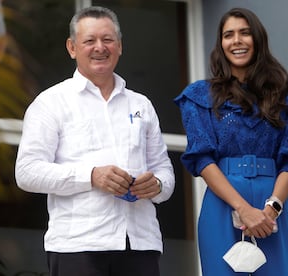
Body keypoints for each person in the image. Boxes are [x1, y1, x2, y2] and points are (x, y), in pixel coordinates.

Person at [15, 6, 175, 276]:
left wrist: (157, 185)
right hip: (77, 245)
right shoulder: (51, 102)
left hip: (140, 244)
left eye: (108, 39)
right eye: (89, 41)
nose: (100, 47)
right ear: (72, 47)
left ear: (120, 46)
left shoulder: (141, 104)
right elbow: (27, 172)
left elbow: (164, 171)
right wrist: (91, 176)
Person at [174, 7, 288, 276]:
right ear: (221, 43)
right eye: (228, 35)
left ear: (257, 39)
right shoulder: (199, 96)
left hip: (272, 203)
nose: (236, 40)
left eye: (244, 33)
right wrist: (242, 208)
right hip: (223, 201)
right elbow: (202, 159)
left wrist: (271, 209)